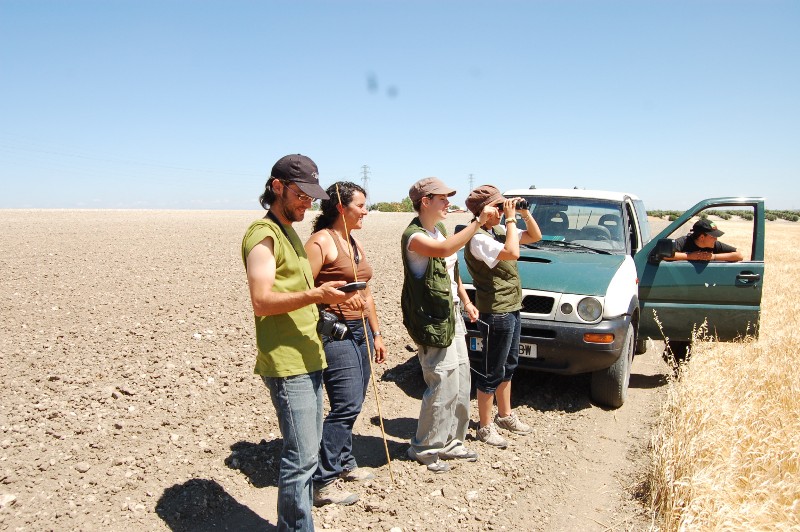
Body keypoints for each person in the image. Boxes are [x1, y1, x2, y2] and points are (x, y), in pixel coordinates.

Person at [241, 154, 356, 532]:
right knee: (302, 457)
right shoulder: (264, 234)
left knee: (305, 455)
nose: (308, 202)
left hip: (309, 357)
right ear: (277, 187)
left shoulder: (290, 231)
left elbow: (298, 291)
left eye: (312, 196)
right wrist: (316, 295)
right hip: (287, 362)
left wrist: (324, 298)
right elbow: (262, 300)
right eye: (301, 195)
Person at [304, 181, 387, 506]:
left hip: (361, 331)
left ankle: (344, 462)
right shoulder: (320, 242)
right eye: (361, 205)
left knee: (356, 399)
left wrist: (376, 333)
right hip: (334, 334)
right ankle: (322, 481)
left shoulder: (353, 242)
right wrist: (329, 306)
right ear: (341, 207)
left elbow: (365, 293)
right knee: (346, 405)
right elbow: (303, 293)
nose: (366, 211)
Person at [401, 177, 491, 473]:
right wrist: (477, 223)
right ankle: (425, 446)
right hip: (432, 320)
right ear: (425, 201)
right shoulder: (415, 237)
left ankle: (451, 440)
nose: (448, 203)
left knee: (461, 378)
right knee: (441, 381)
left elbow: (452, 274)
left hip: (452, 312)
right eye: (442, 199)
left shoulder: (437, 231)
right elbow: (443, 252)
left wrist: (465, 301)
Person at [463, 185, 542, 448]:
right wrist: (509, 219)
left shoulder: (495, 232)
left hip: (511, 306)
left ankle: (504, 415)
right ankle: (484, 427)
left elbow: (534, 236)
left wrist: (523, 213)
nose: (500, 211)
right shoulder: (478, 238)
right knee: (491, 369)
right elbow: (513, 252)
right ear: (483, 211)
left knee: (509, 364)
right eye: (496, 207)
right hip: (496, 311)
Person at [666, 218, 743, 262]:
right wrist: (690, 256)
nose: (716, 239)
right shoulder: (684, 241)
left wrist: (713, 257)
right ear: (702, 237)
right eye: (713, 236)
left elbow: (739, 256)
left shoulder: (715, 244)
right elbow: (665, 255)